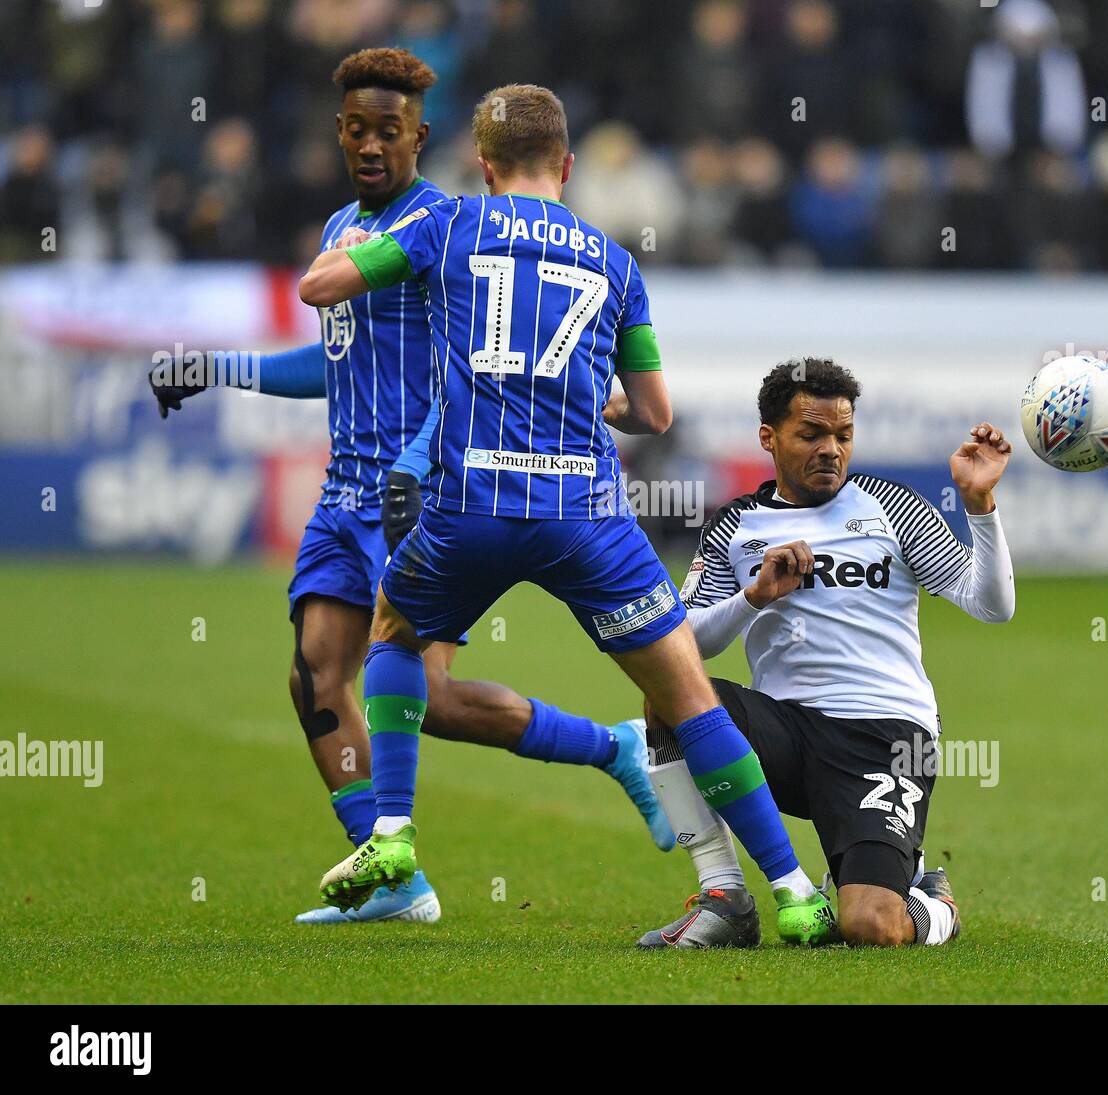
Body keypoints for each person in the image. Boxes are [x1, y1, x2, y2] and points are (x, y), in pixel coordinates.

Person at [299, 83, 837, 944]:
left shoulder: (448, 225)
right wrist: (593, 397)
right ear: (569, 165)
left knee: (394, 629)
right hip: (585, 513)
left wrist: (367, 243)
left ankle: (393, 837)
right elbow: (655, 413)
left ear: (482, 164)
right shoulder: (614, 262)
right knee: (689, 696)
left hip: (471, 505)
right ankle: (796, 889)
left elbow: (320, 287)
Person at [149, 50, 671, 925]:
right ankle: (391, 877)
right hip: (345, 487)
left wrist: (421, 463)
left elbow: (477, 361)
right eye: (355, 129)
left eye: (388, 131)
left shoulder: (449, 228)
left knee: (426, 698)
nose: (369, 145)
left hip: (423, 490)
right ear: (341, 133)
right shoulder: (340, 227)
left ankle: (612, 747)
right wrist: (215, 365)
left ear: (419, 138)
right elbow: (336, 358)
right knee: (315, 676)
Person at [637, 358, 1015, 948]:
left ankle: (932, 902)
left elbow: (991, 605)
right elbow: (688, 645)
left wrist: (980, 506)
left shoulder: (890, 508)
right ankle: (725, 899)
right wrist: (754, 597)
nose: (830, 450)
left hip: (887, 737)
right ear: (770, 438)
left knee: (869, 926)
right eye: (811, 434)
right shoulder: (736, 526)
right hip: (784, 733)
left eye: (842, 435)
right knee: (667, 690)